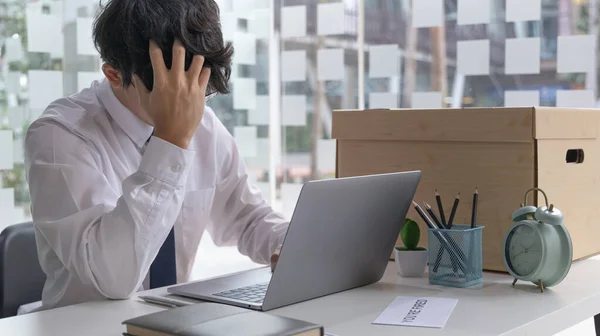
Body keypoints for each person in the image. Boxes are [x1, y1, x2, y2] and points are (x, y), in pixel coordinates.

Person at [24, 0, 288, 311]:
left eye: (198, 87)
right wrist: (170, 141)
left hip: (173, 321)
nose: (188, 101)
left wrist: (292, 246)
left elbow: (247, 218)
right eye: (171, 87)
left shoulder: (204, 124)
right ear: (114, 74)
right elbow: (112, 278)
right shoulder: (60, 135)